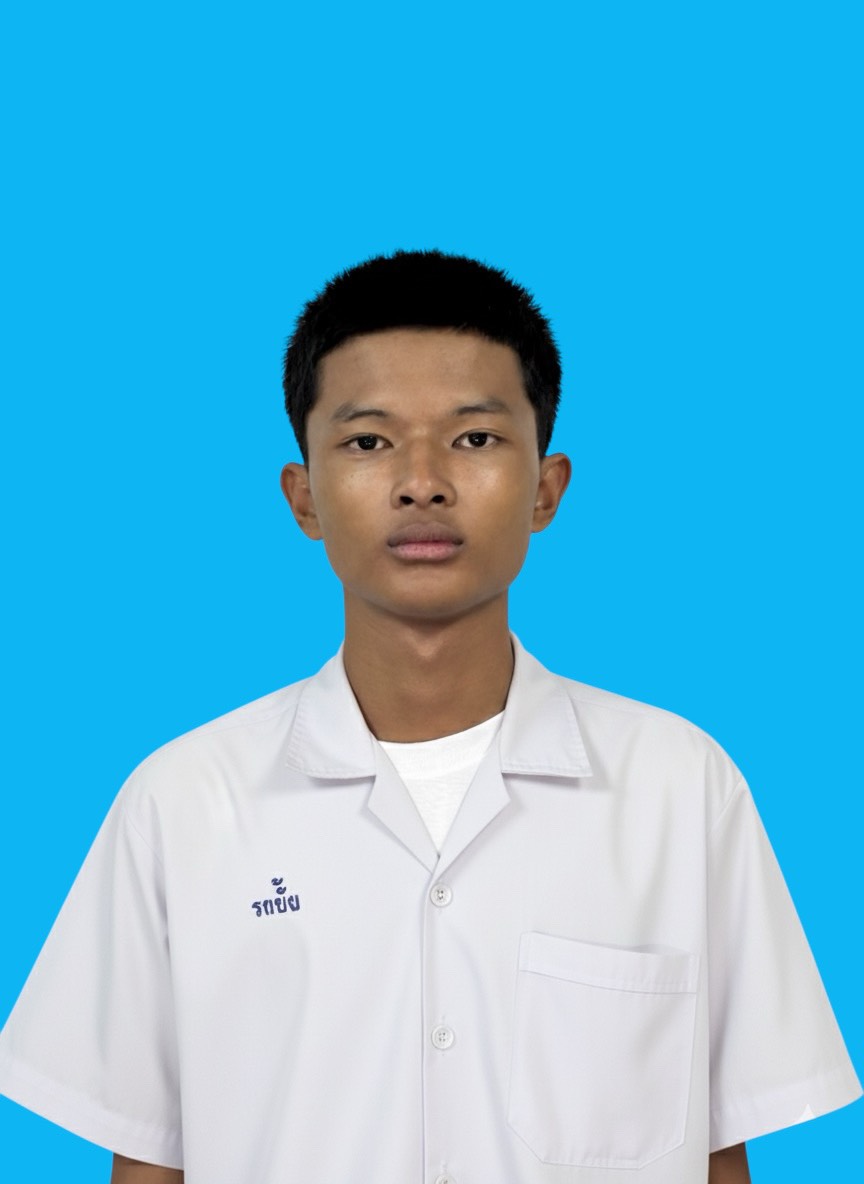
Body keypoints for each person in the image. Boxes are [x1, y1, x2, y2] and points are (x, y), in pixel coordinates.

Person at [0, 251, 859, 1184]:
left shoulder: (679, 789)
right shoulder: (182, 804)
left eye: (474, 438)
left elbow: (720, 1153)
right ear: (303, 497)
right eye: (369, 442)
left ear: (546, 488)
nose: (422, 483)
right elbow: (147, 1161)